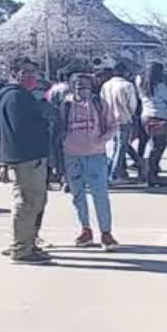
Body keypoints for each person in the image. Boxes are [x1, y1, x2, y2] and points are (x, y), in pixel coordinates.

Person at [0, 57, 52, 264]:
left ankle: (25, 241)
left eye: (34, 73)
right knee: (28, 202)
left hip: (26, 156)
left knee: (32, 201)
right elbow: (22, 128)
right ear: (14, 72)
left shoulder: (20, 96)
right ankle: (21, 248)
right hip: (27, 156)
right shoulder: (15, 97)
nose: (32, 77)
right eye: (26, 72)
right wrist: (42, 119)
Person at [56, 73, 118, 250]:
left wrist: (101, 140)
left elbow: (114, 125)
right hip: (72, 155)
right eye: (75, 84)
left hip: (95, 155)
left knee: (100, 195)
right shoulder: (66, 105)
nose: (79, 87)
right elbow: (58, 127)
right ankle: (85, 229)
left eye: (83, 85)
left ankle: (106, 232)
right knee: (78, 195)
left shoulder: (99, 104)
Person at [100, 64, 145, 182]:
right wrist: (131, 115)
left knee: (120, 145)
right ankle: (114, 173)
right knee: (121, 147)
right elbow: (132, 104)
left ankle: (138, 165)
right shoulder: (127, 85)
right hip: (123, 118)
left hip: (109, 119)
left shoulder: (106, 85)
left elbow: (102, 102)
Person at [137, 62, 167, 188]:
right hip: (159, 117)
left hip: (145, 116)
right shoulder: (160, 86)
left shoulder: (140, 82)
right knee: (158, 148)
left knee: (153, 146)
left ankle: (149, 173)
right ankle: (152, 175)